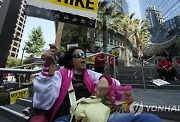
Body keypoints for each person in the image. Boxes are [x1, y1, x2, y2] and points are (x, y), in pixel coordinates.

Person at [33, 46, 162, 122]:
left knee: (148, 118)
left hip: (97, 116)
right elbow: (43, 102)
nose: (83, 57)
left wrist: (105, 79)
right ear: (71, 61)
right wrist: (48, 68)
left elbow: (117, 85)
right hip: (68, 118)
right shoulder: (60, 75)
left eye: (84, 54)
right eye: (78, 55)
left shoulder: (91, 74)